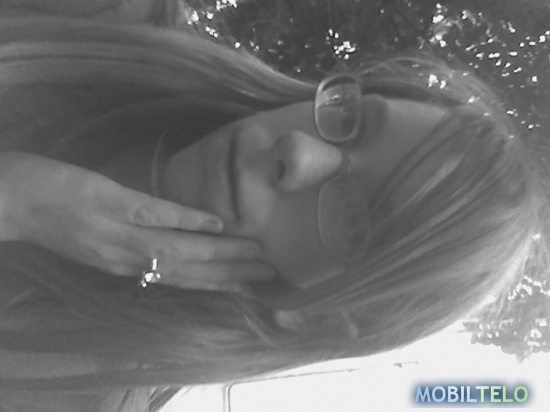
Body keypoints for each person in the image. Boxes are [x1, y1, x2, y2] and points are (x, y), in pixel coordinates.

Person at [0, 4, 548, 412]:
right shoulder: (117, 18)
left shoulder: (62, 388)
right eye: (351, 121)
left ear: (312, 310)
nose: (298, 151)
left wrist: (21, 203)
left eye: (351, 217)